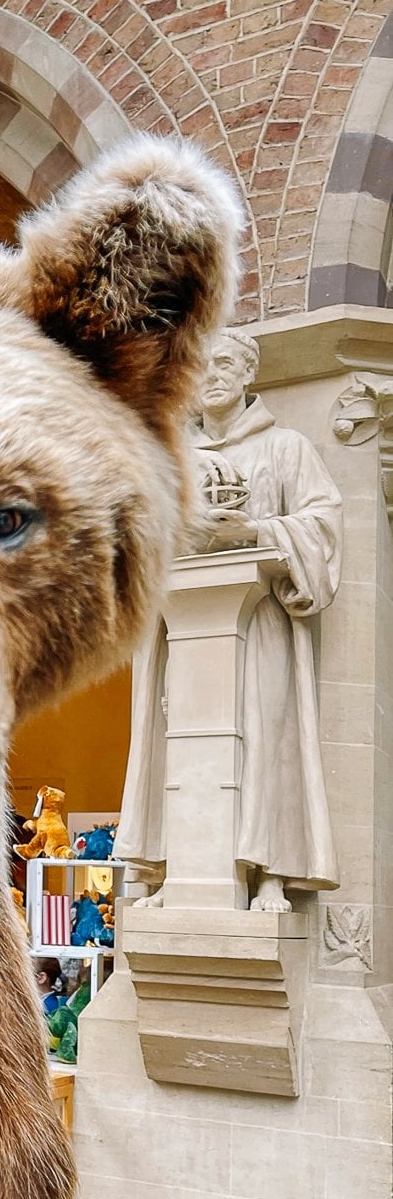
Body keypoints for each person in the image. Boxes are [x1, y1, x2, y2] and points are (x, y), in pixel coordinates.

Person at [119, 327, 342, 911]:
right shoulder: (173, 460)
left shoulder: (284, 448)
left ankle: (266, 873)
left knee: (265, 740)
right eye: (200, 366)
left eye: (224, 364)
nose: (210, 375)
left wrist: (251, 531)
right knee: (175, 744)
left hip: (260, 623)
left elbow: (322, 526)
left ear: (248, 375)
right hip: (184, 629)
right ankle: (176, 875)